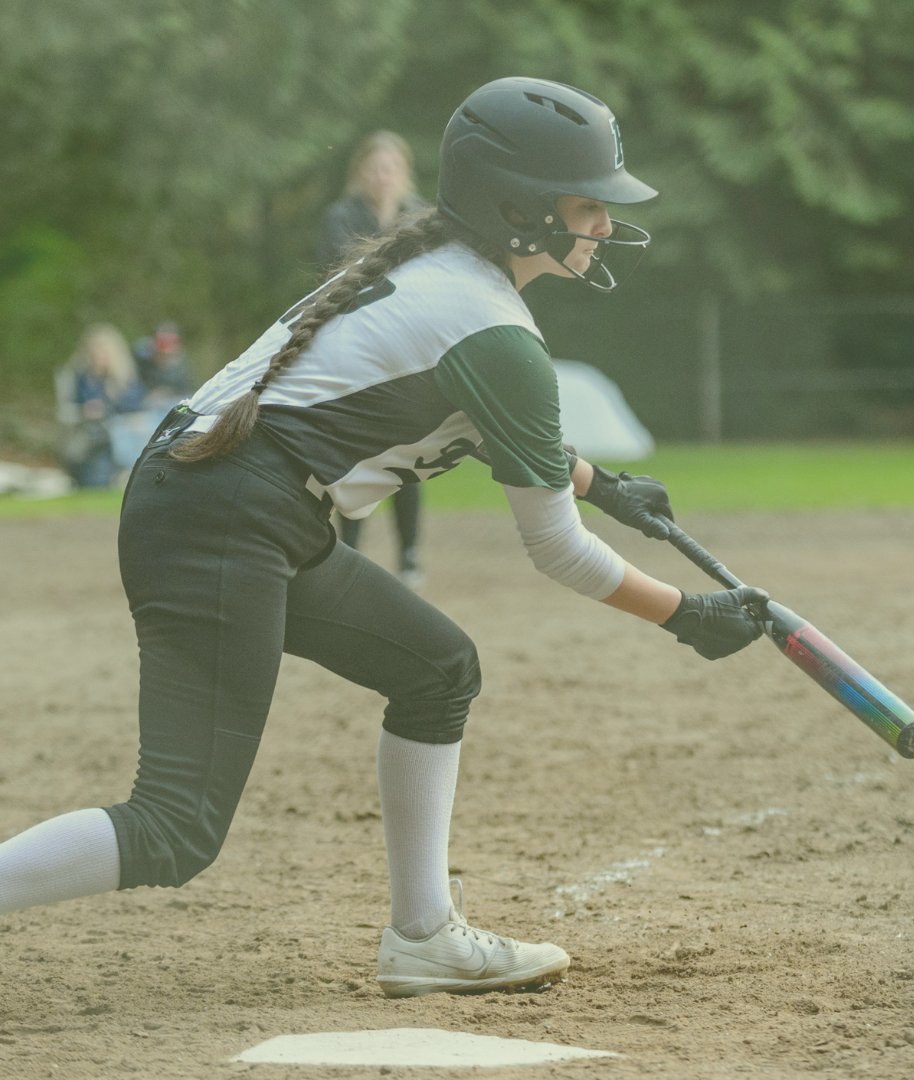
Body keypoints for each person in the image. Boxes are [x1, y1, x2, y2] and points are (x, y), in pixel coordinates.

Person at [0, 77, 767, 999]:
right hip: (229, 515)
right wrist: (682, 612)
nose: (603, 220)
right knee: (175, 828)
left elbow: (469, 418)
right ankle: (423, 932)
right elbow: (554, 550)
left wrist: (602, 485)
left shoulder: (440, 267)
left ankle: (423, 936)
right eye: (585, 202)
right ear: (517, 207)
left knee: (437, 668)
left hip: (228, 501)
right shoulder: (496, 330)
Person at [319, 131, 428, 586]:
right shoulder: (341, 216)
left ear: (403, 173)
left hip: (408, 347)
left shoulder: (421, 215)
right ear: (360, 173)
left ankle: (409, 556)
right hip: (359, 344)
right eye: (374, 168)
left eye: (390, 168)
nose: (382, 177)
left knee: (410, 450)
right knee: (357, 450)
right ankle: (350, 552)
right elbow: (340, 275)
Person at [55, 323, 146, 488]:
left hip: (119, 433)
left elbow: (134, 408)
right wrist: (85, 411)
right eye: (95, 351)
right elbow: (66, 412)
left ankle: (127, 472)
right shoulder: (79, 377)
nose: (98, 356)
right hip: (89, 434)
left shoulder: (124, 380)